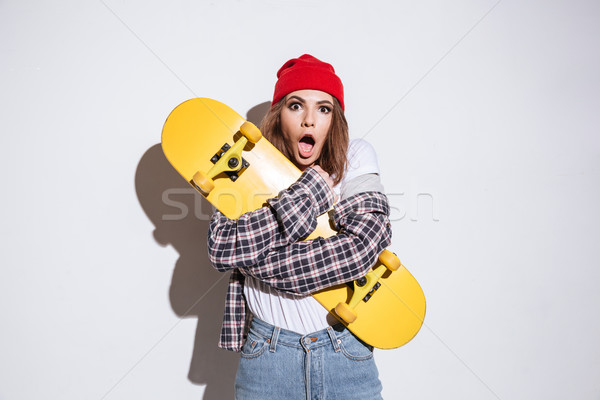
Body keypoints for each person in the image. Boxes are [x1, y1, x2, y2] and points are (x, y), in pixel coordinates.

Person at [207, 54, 391, 400]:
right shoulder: (246, 170)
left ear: (335, 118)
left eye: (324, 109)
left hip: (345, 351)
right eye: (296, 106)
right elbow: (222, 249)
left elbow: (365, 247)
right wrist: (307, 195)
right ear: (279, 115)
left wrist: (259, 258)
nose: (309, 121)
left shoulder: (356, 156)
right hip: (267, 357)